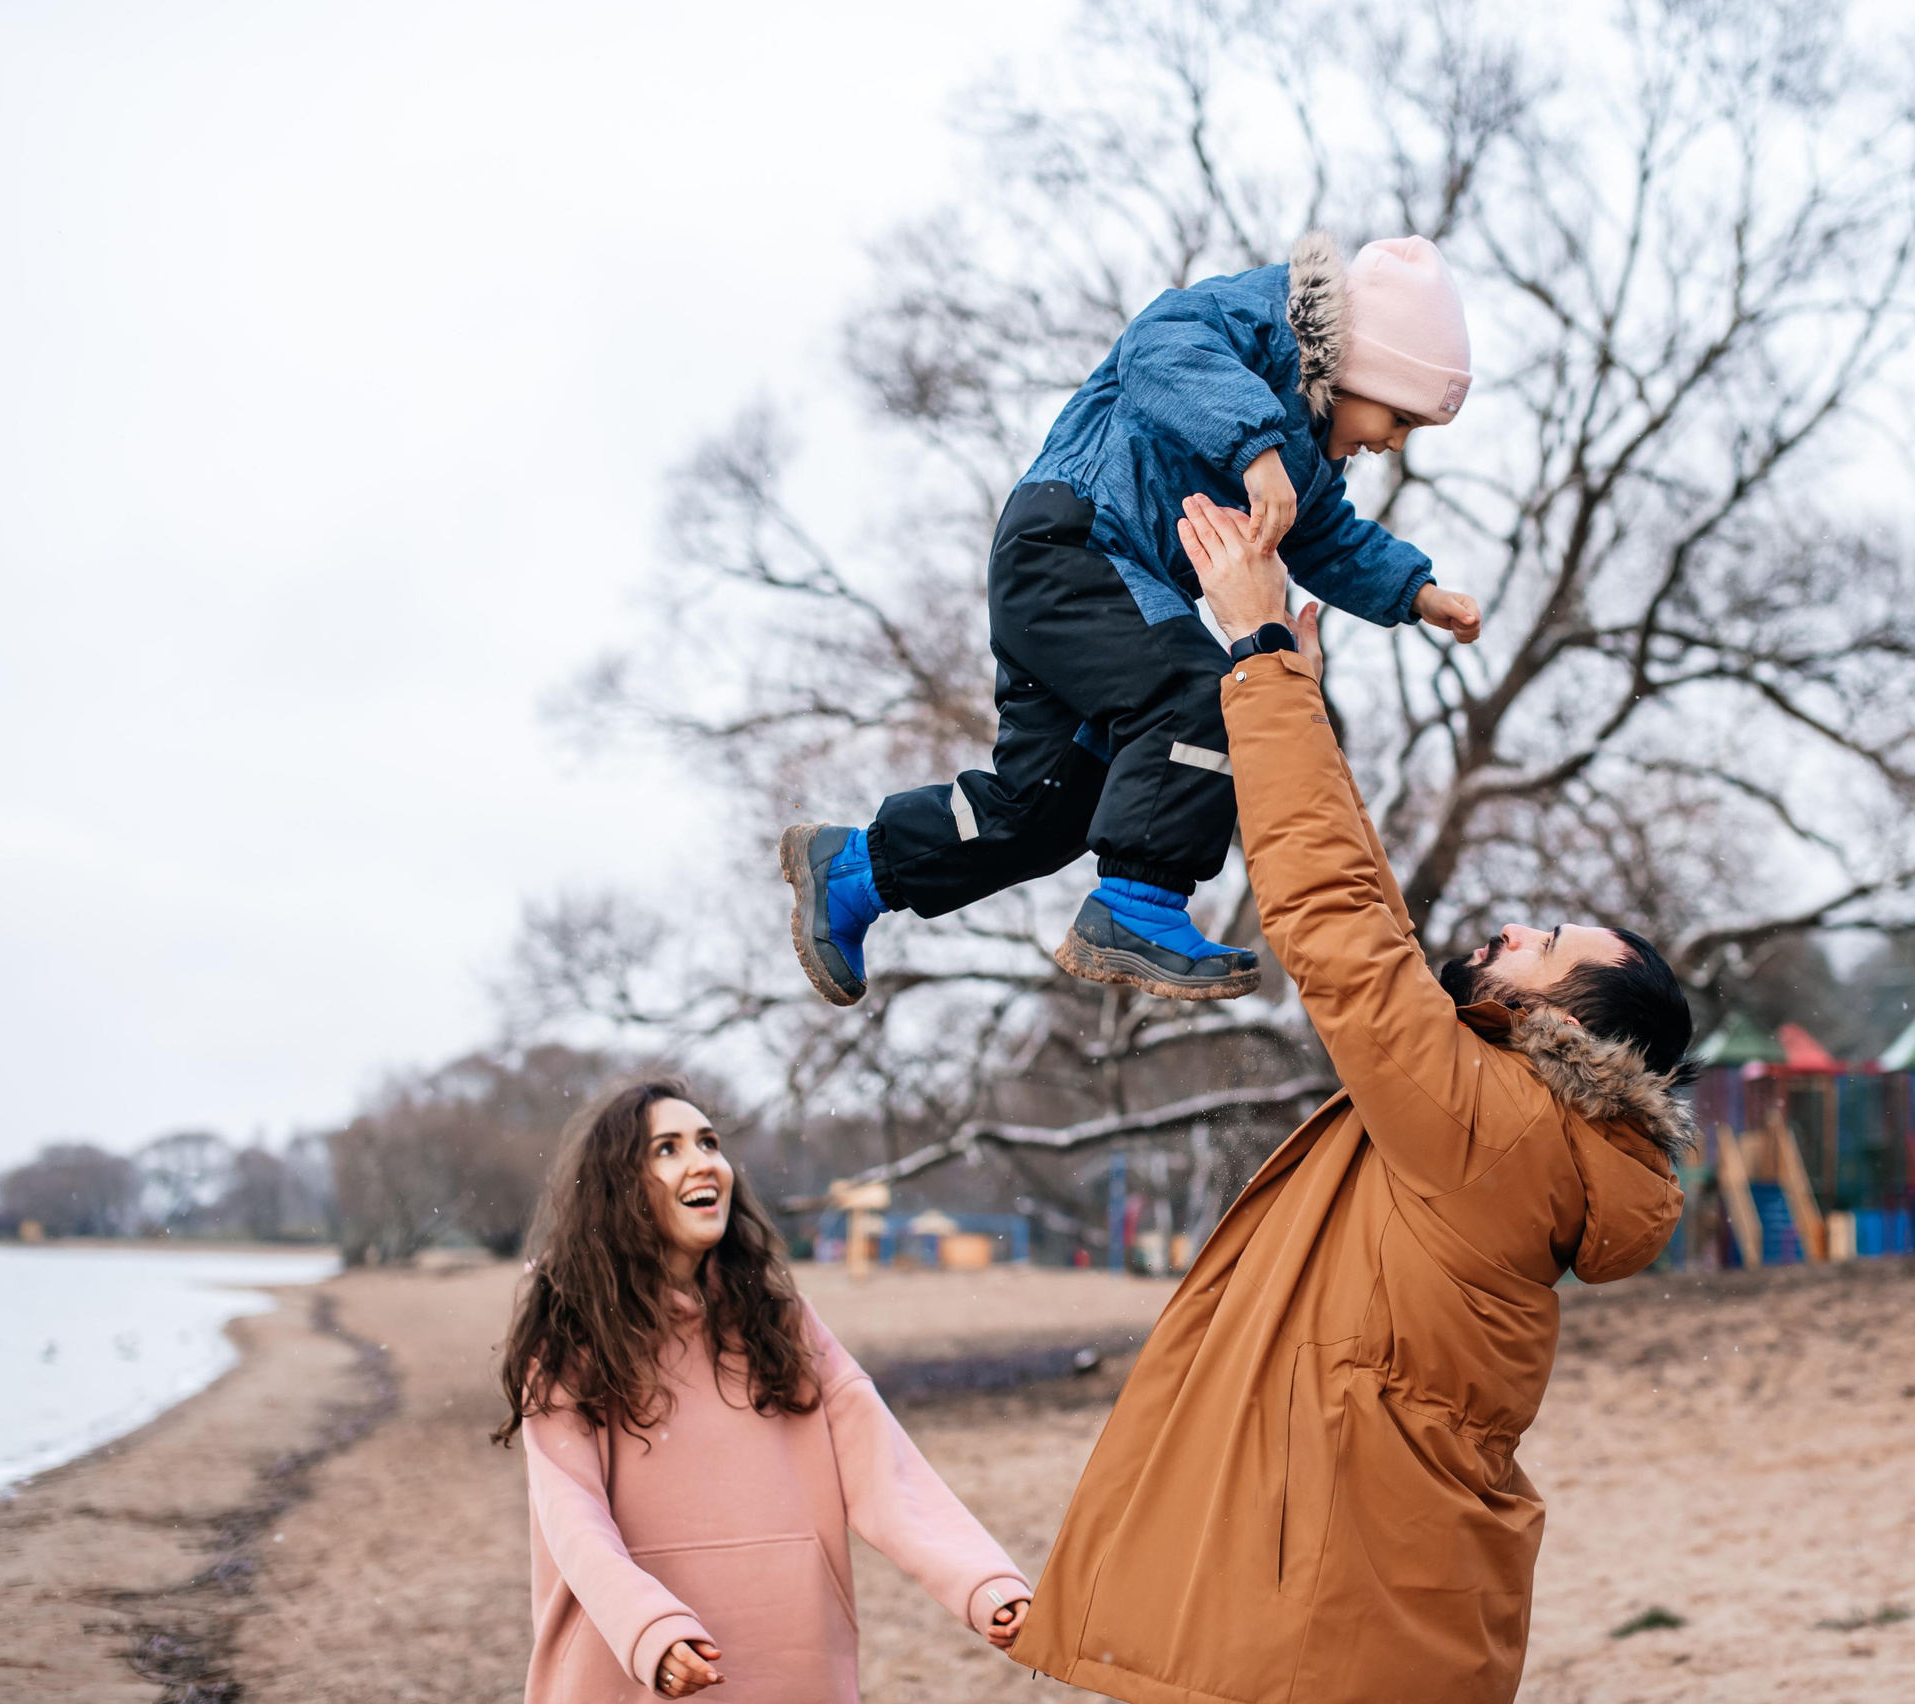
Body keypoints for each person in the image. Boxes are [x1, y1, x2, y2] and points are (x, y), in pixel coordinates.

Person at [1007, 496, 1696, 1704]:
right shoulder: (1519, 1128)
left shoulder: (1495, 1126)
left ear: (1563, 1018)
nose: (1513, 926)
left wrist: (1260, 654)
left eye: (1545, 943)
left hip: (1329, 1610)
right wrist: (1296, 705)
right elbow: (1375, 928)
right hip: (1382, 1602)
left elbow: (1334, 926)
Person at [782, 232, 1485, 1006]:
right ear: (1366, 362)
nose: (1391, 443)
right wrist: (1255, 449)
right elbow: (1159, 346)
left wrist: (1416, 592)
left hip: (1100, 592)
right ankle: (1141, 904)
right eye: (1401, 418)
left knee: (1047, 812)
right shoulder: (1260, 322)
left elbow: (1323, 536)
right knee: (1208, 695)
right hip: (1073, 543)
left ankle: (853, 873)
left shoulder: (1313, 460)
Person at [496, 1078, 1030, 1703]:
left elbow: (885, 1470)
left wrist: (986, 1584)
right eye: (667, 1149)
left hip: (793, 1668)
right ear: (619, 1189)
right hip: (630, 1676)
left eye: (709, 1142)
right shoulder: (571, 1339)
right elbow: (573, 1519)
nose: (704, 1163)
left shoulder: (779, 1319)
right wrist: (649, 1631)